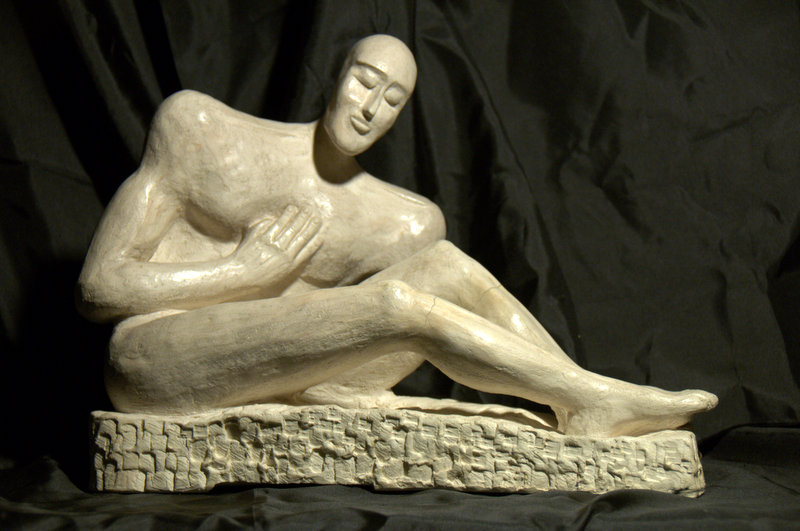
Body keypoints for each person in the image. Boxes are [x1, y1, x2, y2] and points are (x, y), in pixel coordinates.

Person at [77, 35, 716, 437]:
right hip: (154, 358)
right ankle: (593, 400)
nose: (367, 109)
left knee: (445, 266)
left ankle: (580, 399)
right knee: (395, 306)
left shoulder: (402, 220)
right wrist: (244, 272)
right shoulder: (203, 130)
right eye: (363, 81)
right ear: (335, 76)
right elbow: (98, 287)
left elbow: (325, 331)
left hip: (295, 379)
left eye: (391, 100)